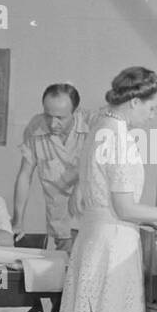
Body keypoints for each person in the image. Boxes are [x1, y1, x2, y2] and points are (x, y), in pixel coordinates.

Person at [59, 67, 157, 312]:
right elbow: (125, 209)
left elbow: (108, 203)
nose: (153, 116)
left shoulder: (100, 127)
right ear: (134, 102)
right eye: (152, 108)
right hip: (113, 246)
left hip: (93, 238)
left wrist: (155, 223)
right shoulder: (119, 139)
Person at [12, 83, 91, 248]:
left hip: (91, 219)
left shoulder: (93, 126)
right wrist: (18, 220)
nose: (53, 123)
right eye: (48, 115)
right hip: (61, 221)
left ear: (75, 112)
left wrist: (81, 186)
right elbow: (25, 176)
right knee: (66, 268)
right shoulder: (36, 127)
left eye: (61, 118)